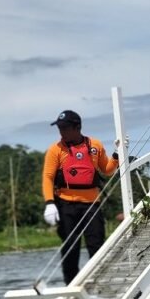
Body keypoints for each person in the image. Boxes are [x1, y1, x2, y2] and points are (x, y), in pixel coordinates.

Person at [42, 110, 119, 284]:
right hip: (65, 204)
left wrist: (116, 155)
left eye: (65, 128)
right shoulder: (55, 150)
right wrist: (49, 203)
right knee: (70, 247)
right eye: (59, 128)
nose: (61, 131)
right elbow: (48, 177)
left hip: (91, 204)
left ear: (77, 127)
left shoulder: (95, 145)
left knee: (96, 245)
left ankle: (99, 283)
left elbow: (107, 170)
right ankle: (71, 286)